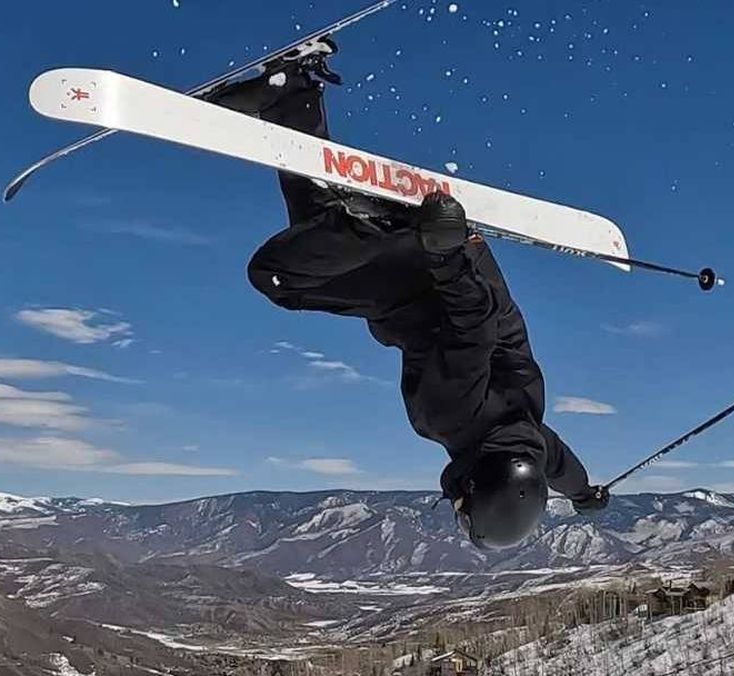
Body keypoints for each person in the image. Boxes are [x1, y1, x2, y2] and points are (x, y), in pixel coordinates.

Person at [208, 45, 609, 550]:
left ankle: (291, 100)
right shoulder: (447, 418)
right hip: (423, 276)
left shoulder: (528, 439)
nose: (458, 508)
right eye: (465, 509)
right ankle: (367, 222)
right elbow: (472, 328)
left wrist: (583, 492)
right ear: (473, 487)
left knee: (315, 240)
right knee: (276, 278)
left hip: (460, 264)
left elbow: (558, 465)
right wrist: (441, 251)